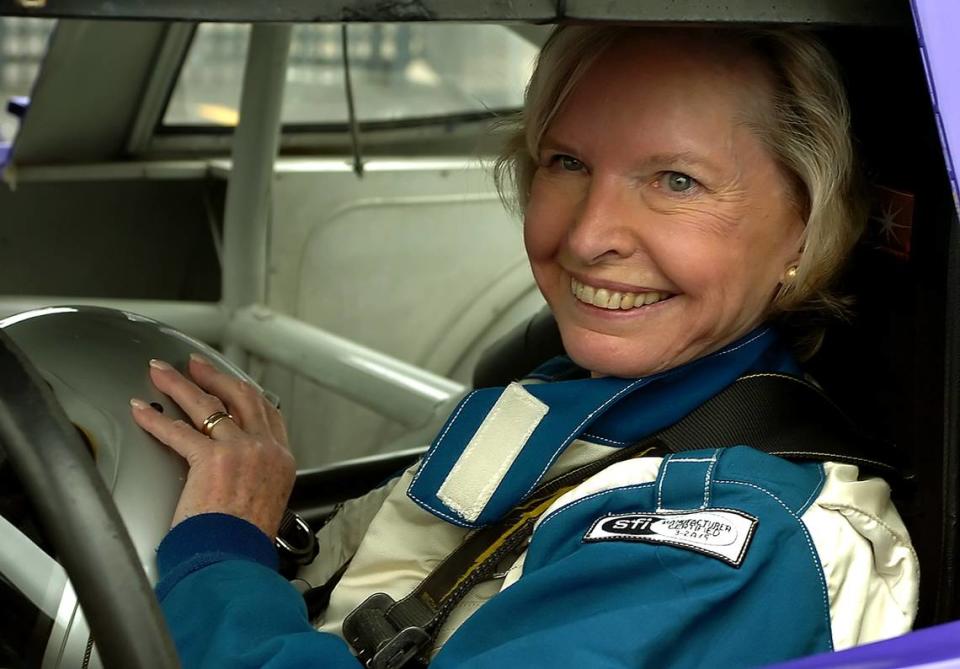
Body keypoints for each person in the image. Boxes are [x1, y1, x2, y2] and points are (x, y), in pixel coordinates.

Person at [130, 25, 919, 668]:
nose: (588, 235)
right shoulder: (571, 399)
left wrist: (218, 558)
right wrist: (252, 499)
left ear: (803, 227)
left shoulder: (737, 542)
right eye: (568, 162)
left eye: (676, 181)